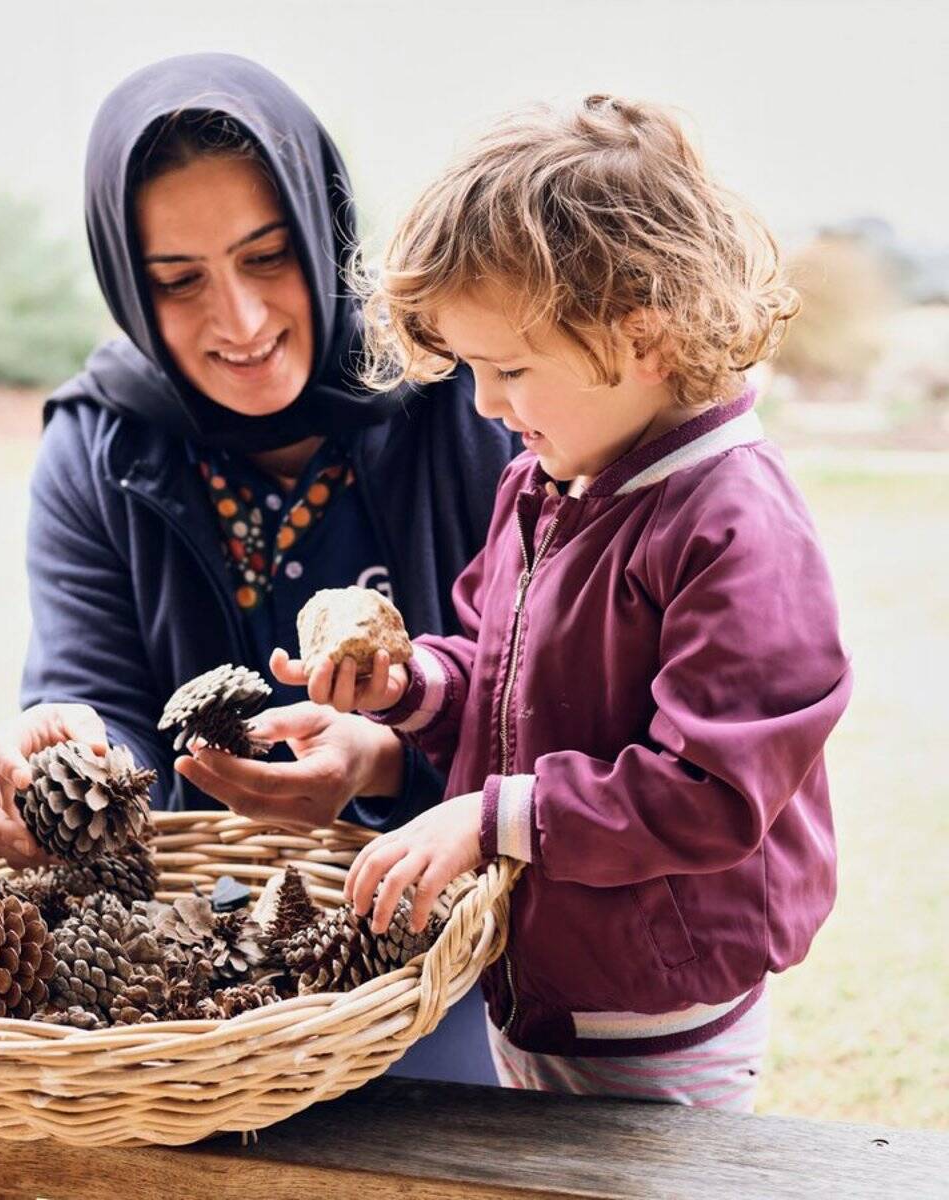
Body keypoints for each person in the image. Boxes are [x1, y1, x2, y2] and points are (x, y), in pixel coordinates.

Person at [284, 95, 851, 1111]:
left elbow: (711, 791)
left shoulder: (732, 525)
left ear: (642, 336)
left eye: (508, 370)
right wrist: (412, 687)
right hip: (541, 983)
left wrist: (494, 814)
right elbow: (499, 684)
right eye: (470, 370)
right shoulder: (550, 483)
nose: (485, 405)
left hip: (657, 1015)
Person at [0, 54, 518, 1085]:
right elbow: (92, 697)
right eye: (177, 282)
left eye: (268, 258)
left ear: (322, 231)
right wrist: (68, 764)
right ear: (129, 285)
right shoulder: (98, 446)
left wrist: (385, 760)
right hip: (194, 974)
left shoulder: (465, 393)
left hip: (450, 947)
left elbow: (546, 703)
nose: (241, 321)